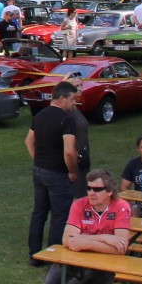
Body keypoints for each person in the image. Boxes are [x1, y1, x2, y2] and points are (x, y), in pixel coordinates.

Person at [37, 167, 131, 284]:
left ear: (109, 191)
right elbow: (68, 240)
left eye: (97, 189)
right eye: (88, 188)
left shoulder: (121, 207)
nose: (91, 193)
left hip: (103, 268)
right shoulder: (79, 204)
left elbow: (120, 248)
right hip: (73, 260)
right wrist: (104, 238)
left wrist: (84, 241)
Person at [26, 82, 82, 263]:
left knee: (39, 212)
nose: (75, 103)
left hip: (39, 171)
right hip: (58, 173)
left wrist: (38, 160)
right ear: (62, 98)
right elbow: (69, 150)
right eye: (73, 99)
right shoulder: (67, 120)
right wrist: (72, 171)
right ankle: (53, 256)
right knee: (59, 215)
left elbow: (28, 141)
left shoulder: (40, 115)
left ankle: (34, 254)